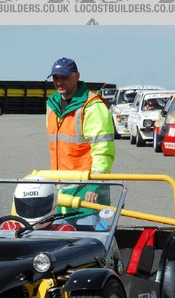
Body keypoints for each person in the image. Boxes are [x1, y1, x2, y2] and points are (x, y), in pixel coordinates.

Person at [45, 57, 115, 203]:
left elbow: (103, 149)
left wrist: (95, 184)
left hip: (87, 193)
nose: (59, 82)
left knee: (88, 225)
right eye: (56, 78)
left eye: (64, 77)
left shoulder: (92, 106)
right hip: (60, 192)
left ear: (77, 76)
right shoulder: (52, 106)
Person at [0, 181, 76, 231]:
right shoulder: (10, 228)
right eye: (27, 208)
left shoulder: (64, 231)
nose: (32, 211)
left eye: (39, 207)